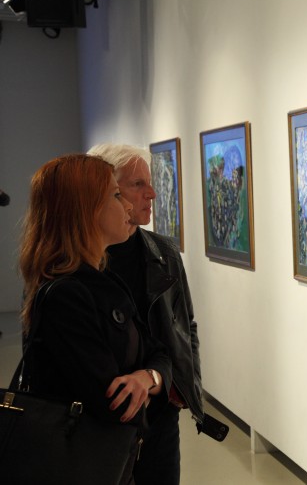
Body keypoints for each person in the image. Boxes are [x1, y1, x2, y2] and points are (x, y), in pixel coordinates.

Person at [18, 154, 172, 484]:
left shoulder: (105, 282)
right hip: (81, 465)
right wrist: (148, 382)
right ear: (85, 210)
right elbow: (116, 404)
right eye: (116, 195)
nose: (128, 206)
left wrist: (146, 377)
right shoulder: (66, 296)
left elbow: (160, 353)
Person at [88, 143, 204, 485]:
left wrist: (180, 387)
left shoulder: (164, 253)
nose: (151, 193)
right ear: (104, 191)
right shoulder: (76, 266)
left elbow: (186, 325)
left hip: (159, 414)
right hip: (102, 421)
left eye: (149, 183)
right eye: (137, 184)